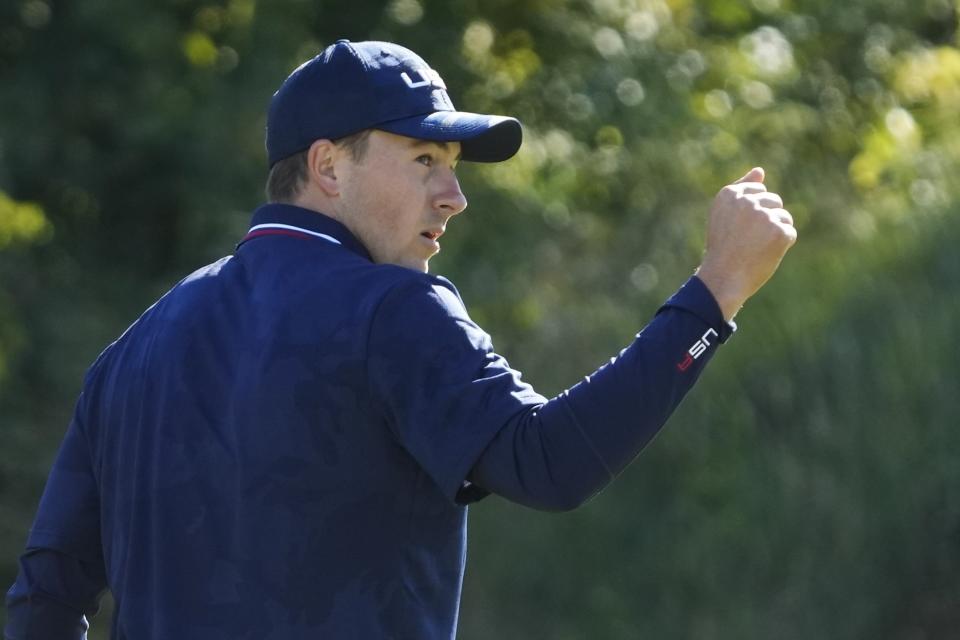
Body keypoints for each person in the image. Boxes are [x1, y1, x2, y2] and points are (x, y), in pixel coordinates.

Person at [4, 39, 796, 639]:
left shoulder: (134, 349)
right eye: (423, 158)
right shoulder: (391, 309)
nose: (453, 196)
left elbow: (46, 595)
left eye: (452, 164)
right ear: (328, 168)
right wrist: (715, 291)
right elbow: (548, 463)